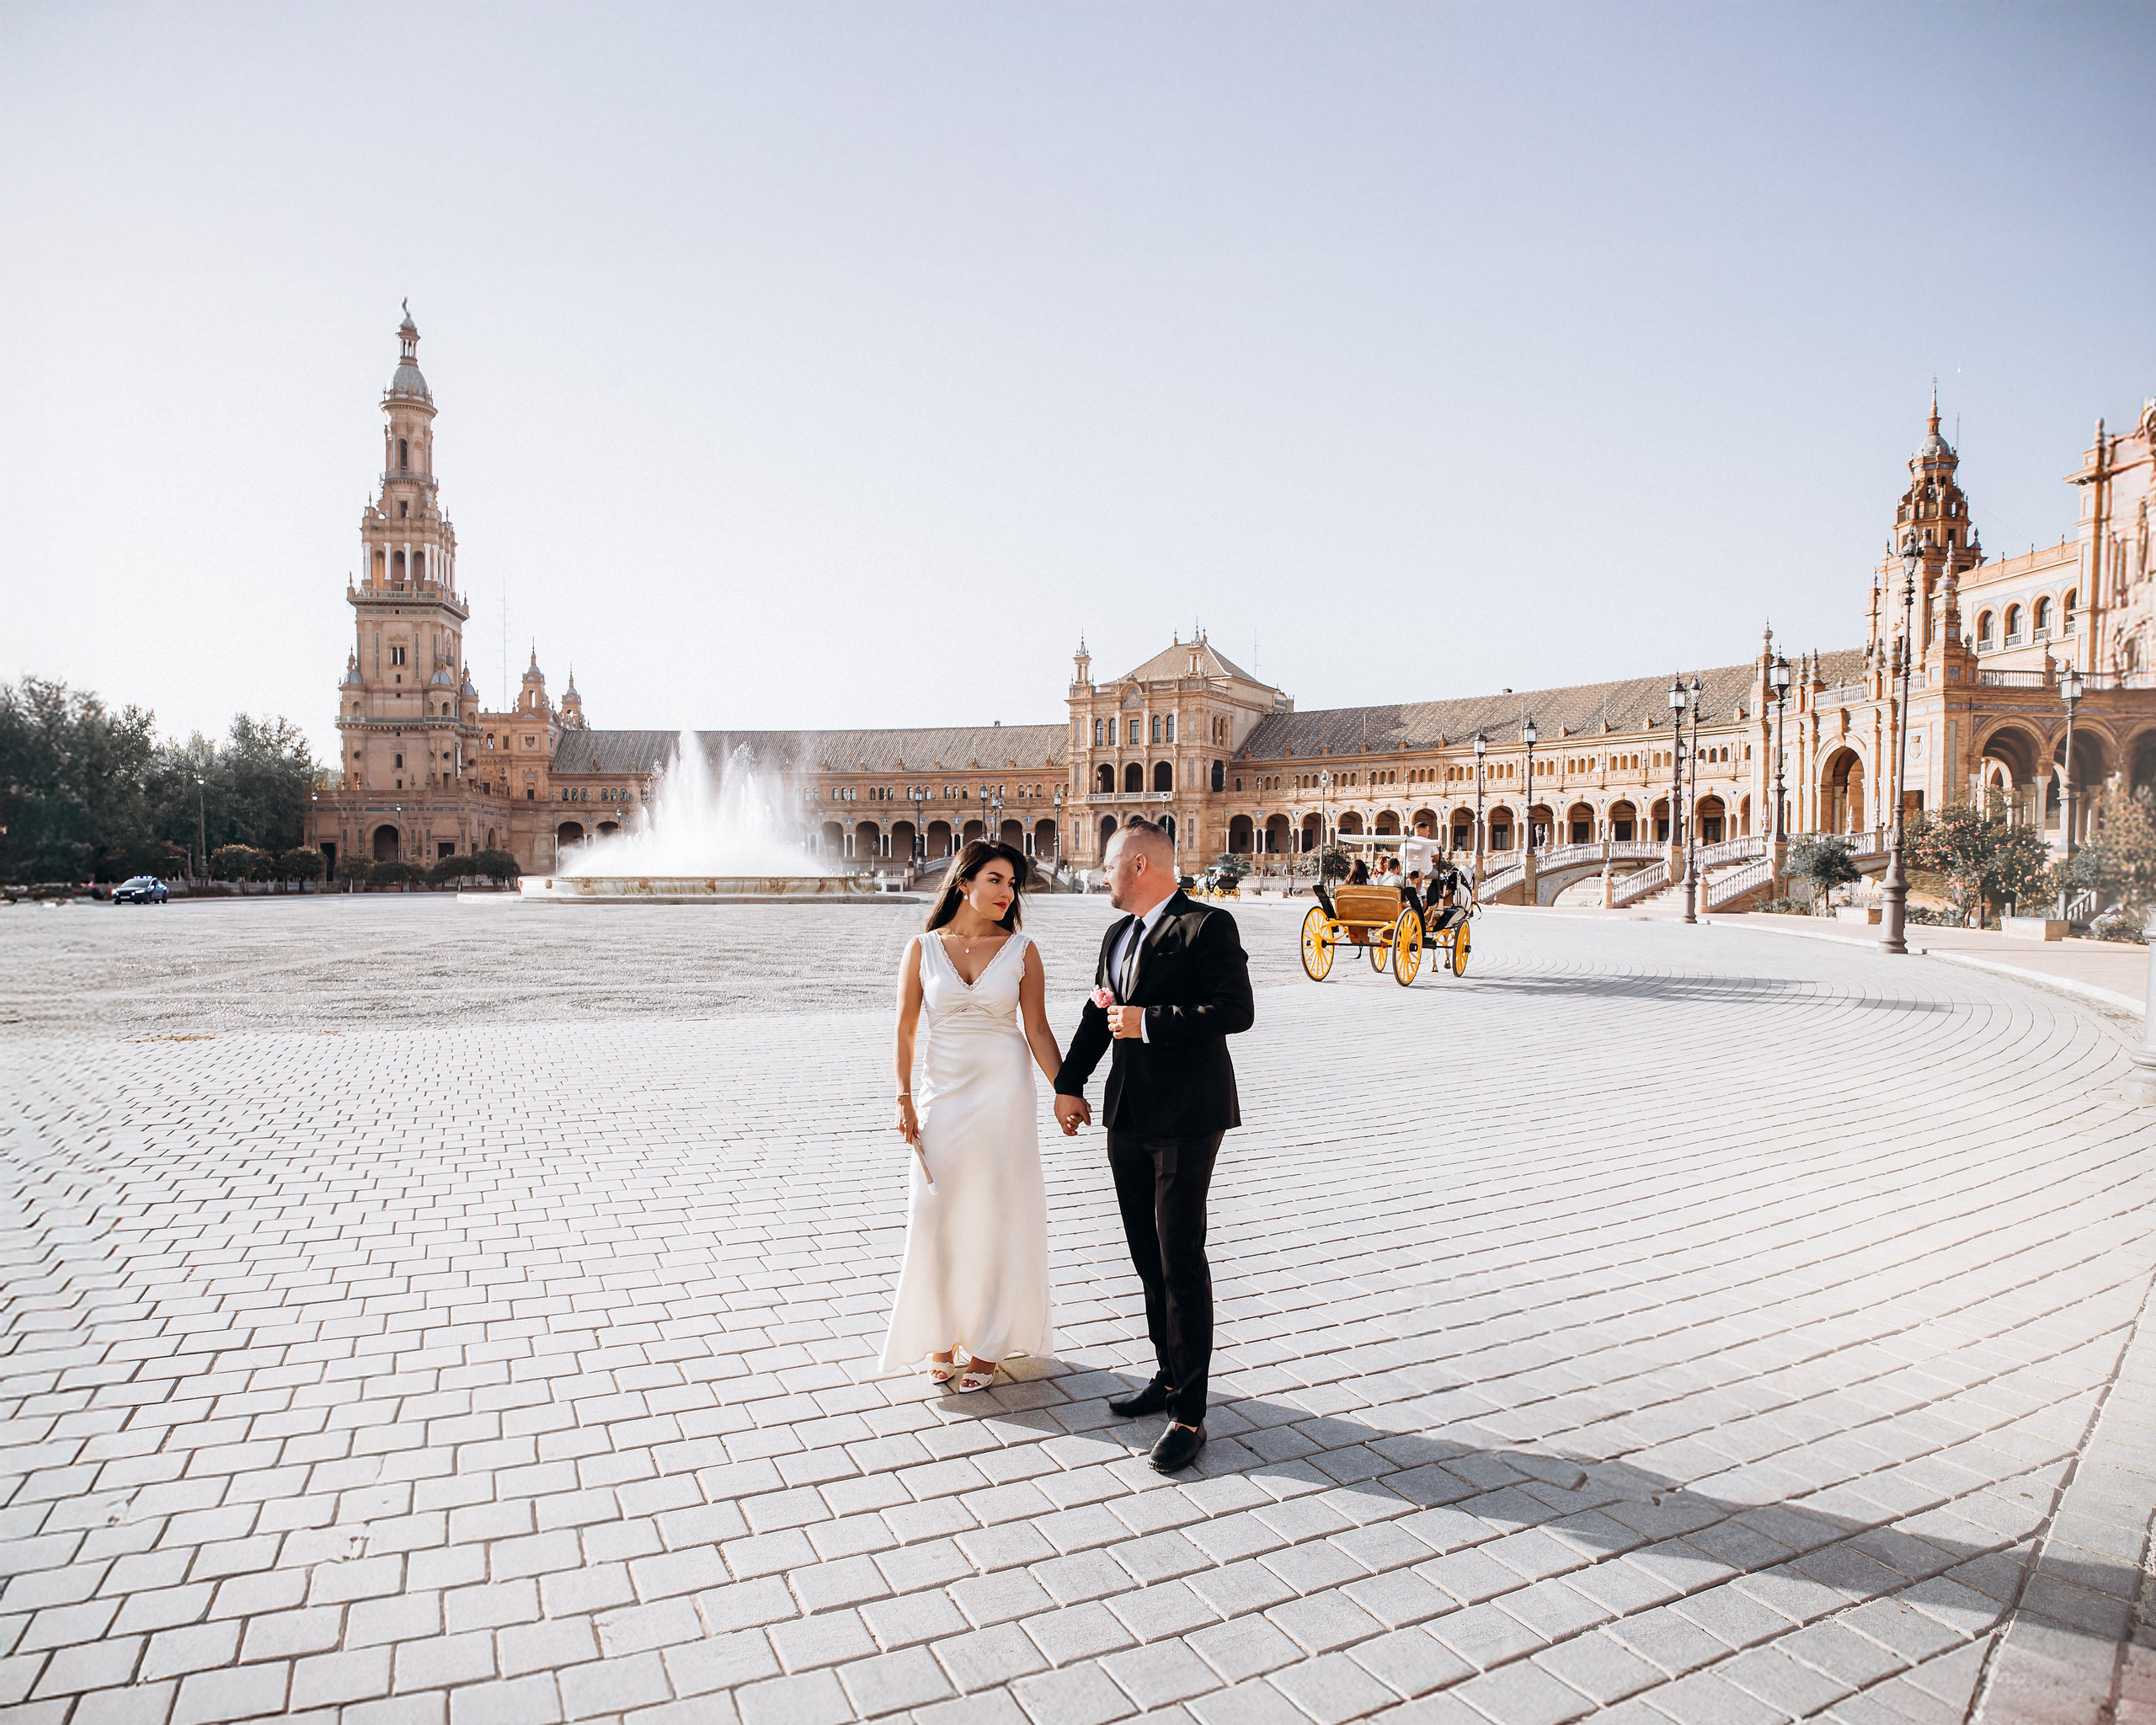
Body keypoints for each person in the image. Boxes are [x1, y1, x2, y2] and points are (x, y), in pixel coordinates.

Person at [1054, 820, 1254, 1473]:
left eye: (1108, 865)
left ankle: (1190, 1415)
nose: (1100, 875)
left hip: (1190, 1116)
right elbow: (1097, 1013)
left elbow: (1236, 1010)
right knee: (1146, 1254)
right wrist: (1068, 1083)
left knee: (1180, 1256)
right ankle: (1167, 1376)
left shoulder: (1206, 926)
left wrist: (1151, 1022)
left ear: (1139, 865)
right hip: (1129, 1113)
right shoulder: (1116, 935)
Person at [879, 841, 1066, 1392]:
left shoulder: (1023, 950)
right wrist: (902, 1097)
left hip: (1005, 1096)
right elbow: (905, 1029)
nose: (1007, 893)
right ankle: (940, 1337)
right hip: (942, 1097)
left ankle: (986, 1346)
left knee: (997, 1213)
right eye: (996, 880)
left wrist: (1067, 1090)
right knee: (935, 1214)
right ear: (963, 882)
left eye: (1013, 884)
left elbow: (1037, 1030)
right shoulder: (921, 948)